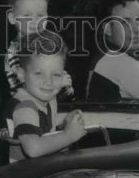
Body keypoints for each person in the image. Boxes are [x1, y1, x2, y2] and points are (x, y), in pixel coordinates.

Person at [7, 31, 86, 161]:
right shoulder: (26, 107)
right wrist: (68, 135)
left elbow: (45, 135)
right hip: (26, 171)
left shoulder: (47, 100)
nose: (48, 82)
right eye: (39, 74)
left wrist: (64, 126)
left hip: (43, 167)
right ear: (21, 74)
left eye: (56, 75)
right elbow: (33, 149)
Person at [3, 0, 72, 99]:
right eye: (27, 15)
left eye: (40, 15)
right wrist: (59, 85)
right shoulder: (15, 53)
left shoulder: (47, 45)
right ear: (12, 17)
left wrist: (64, 85)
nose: (35, 21)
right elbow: (21, 92)